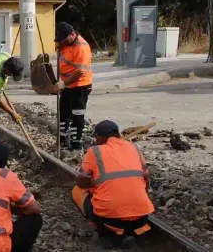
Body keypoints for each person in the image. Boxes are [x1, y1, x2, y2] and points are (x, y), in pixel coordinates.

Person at [71, 120, 154, 247]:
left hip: (111, 221)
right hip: (142, 218)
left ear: (100, 136)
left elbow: (81, 181)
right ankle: (135, 233)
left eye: (96, 137)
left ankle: (105, 233)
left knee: (77, 191)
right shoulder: (133, 148)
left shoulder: (95, 151)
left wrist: (95, 184)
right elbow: (146, 179)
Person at [54, 22, 93, 151]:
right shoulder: (65, 44)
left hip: (80, 85)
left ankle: (76, 144)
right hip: (67, 85)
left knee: (77, 114)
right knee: (64, 112)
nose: (62, 42)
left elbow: (79, 72)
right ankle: (62, 140)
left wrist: (64, 83)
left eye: (64, 39)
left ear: (72, 34)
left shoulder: (82, 47)